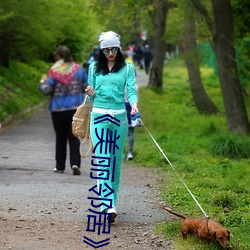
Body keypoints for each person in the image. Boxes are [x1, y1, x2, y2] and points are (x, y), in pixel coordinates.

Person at [85, 31, 138, 223]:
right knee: (103, 160)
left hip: (119, 118)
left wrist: (134, 104)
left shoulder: (127, 68)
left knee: (115, 162)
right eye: (106, 50)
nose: (110, 53)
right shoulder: (93, 68)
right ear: (101, 50)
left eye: (114, 49)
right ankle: (107, 204)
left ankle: (112, 203)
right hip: (98, 116)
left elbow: (131, 90)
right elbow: (91, 97)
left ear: (119, 48)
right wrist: (90, 92)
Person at [39, 45, 88, 175]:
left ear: (58, 57)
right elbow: (86, 87)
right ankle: (75, 163)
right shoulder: (79, 70)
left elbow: (47, 90)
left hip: (58, 109)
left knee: (60, 138)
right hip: (75, 109)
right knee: (74, 137)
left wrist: (42, 83)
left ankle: (60, 166)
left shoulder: (54, 71)